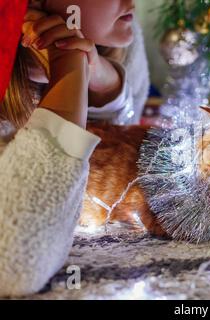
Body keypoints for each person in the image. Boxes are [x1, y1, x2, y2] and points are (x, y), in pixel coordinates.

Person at [0, 0, 149, 297]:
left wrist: (103, 80)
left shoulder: (123, 35)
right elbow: (14, 261)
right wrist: (70, 66)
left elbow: (120, 138)